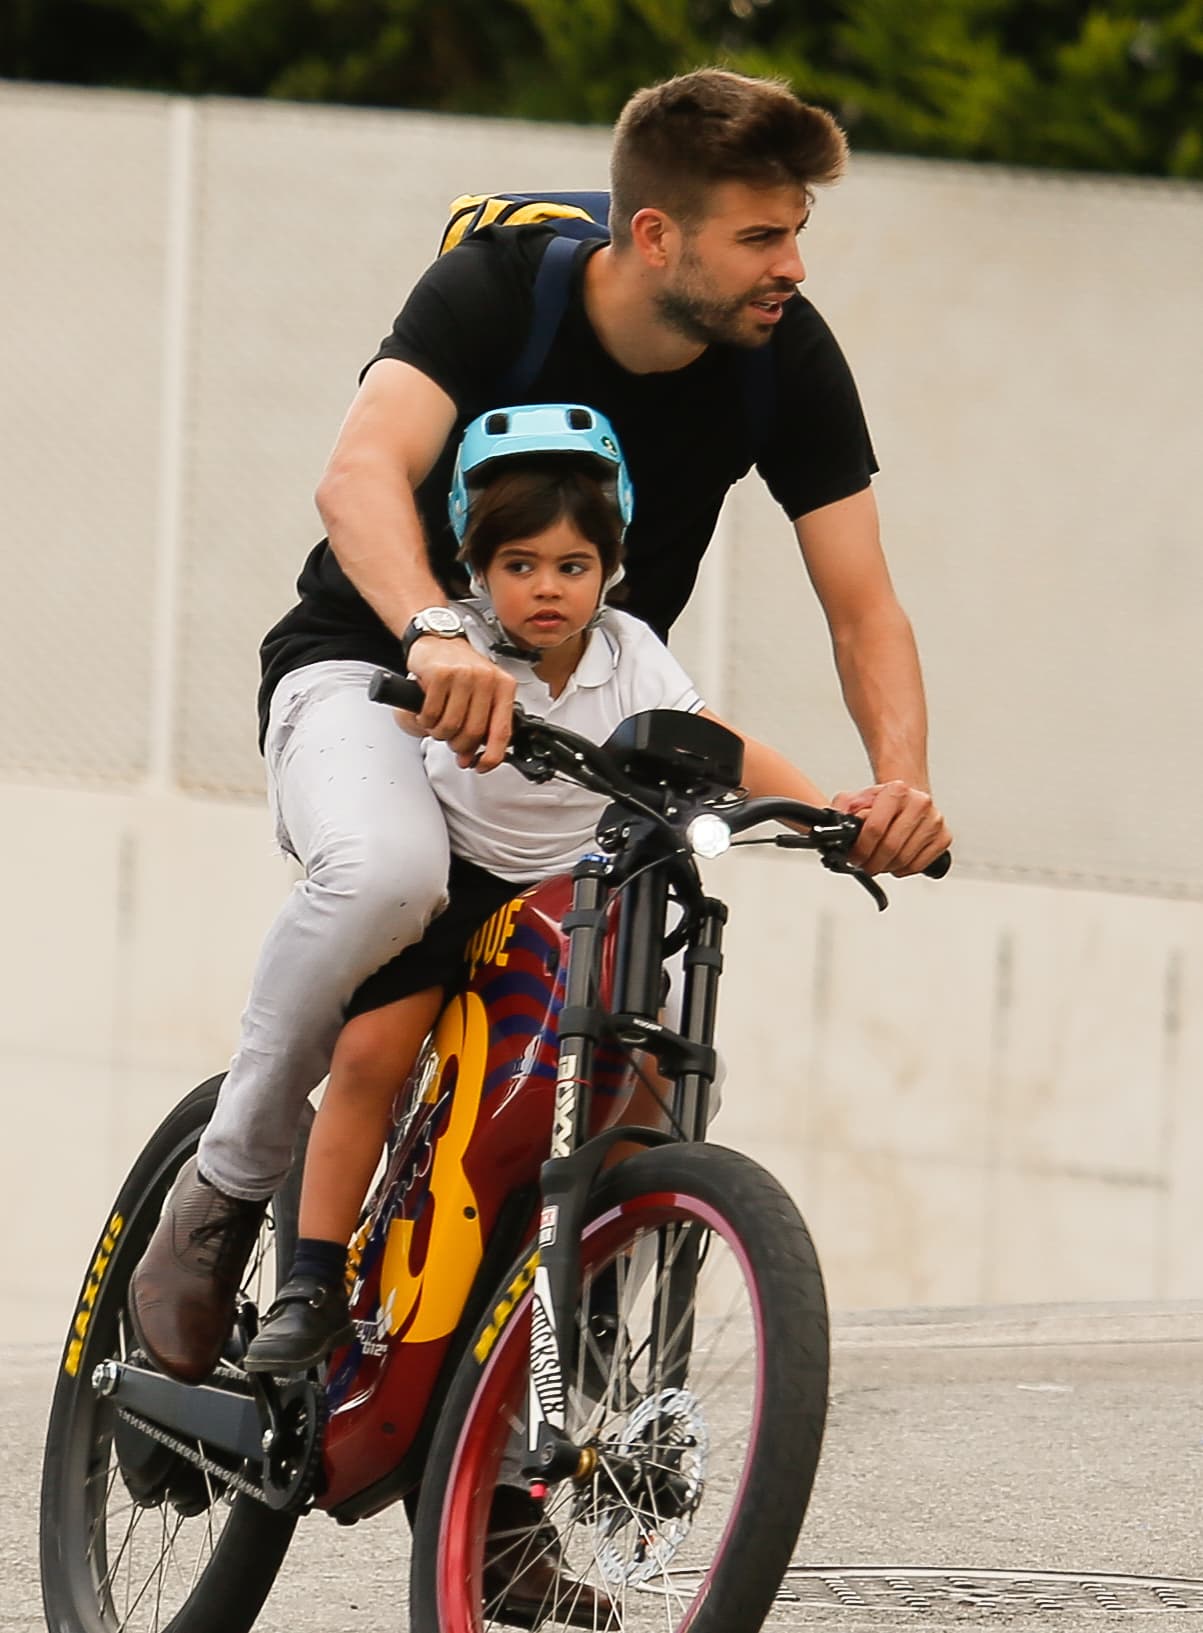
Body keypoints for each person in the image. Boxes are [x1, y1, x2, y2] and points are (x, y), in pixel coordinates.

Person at [129, 66, 951, 1392]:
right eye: (760, 234)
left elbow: (862, 607)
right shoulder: (497, 292)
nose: (790, 265)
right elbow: (357, 473)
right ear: (652, 235)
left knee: (639, 1044)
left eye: (797, 231)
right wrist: (431, 632)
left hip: (581, 721)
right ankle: (219, 1203)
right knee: (385, 876)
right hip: (372, 676)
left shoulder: (781, 355)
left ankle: (530, 1432)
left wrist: (893, 787)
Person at [239, 402, 842, 1376]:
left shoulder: (633, 654)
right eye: (520, 565)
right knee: (374, 1050)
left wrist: (827, 819)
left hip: (577, 896)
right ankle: (309, 1281)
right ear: (477, 567)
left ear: (612, 567)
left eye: (573, 566)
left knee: (645, 1068)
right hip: (464, 886)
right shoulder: (458, 645)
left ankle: (596, 1286)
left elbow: (726, 747)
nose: (549, 589)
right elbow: (404, 724)